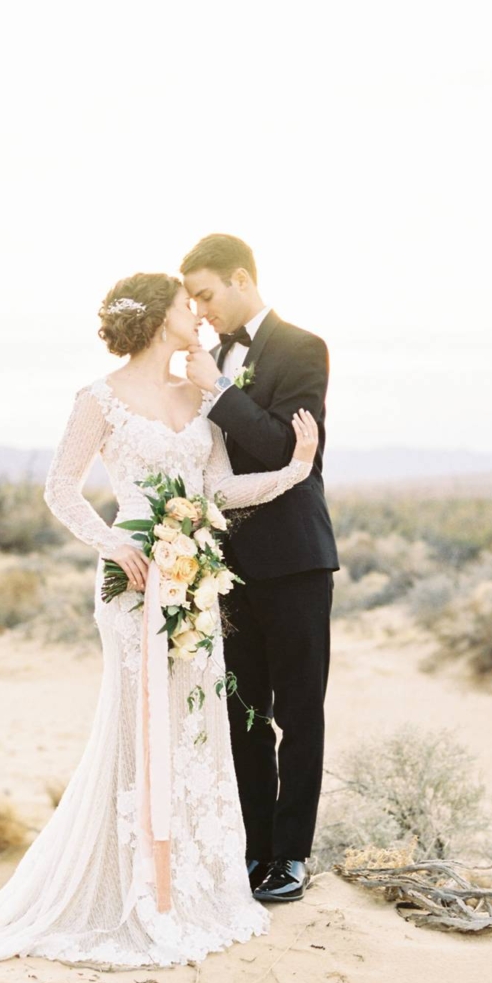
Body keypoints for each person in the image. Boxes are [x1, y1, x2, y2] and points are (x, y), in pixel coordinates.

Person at [0, 272, 318, 973]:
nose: (194, 313)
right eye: (181, 305)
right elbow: (60, 488)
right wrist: (114, 542)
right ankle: (140, 892)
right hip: (133, 582)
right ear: (153, 321)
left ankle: (195, 886)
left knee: (195, 729)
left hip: (195, 582)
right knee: (140, 733)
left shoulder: (199, 394)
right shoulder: (97, 400)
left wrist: (294, 471)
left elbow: (217, 489)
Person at [181, 235, 338, 904]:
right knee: (245, 713)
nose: (202, 310)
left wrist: (217, 388)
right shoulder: (210, 361)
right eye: (192, 301)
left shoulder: (303, 348)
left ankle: (293, 856)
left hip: (296, 559)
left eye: (207, 295)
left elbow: (279, 444)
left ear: (242, 279)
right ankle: (252, 851)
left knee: (299, 712)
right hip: (230, 568)